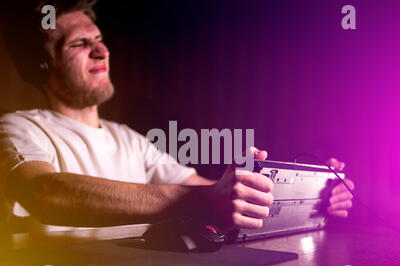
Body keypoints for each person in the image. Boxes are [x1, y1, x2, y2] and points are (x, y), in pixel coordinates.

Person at [0, 1, 354, 235]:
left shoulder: (129, 139)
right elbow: (46, 194)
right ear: (42, 65)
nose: (101, 50)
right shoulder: (18, 128)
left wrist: (310, 195)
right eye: (78, 44)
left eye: (100, 39)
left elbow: (209, 190)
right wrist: (199, 200)